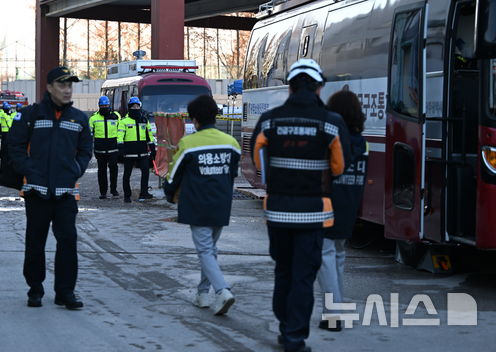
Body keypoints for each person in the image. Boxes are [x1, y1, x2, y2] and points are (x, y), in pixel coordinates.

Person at [251, 59, 350, 352]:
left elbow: (258, 163)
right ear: (319, 88)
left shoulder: (269, 121)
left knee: (283, 271)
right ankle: (295, 337)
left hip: (278, 212)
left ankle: (285, 328)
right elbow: (339, 167)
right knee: (303, 276)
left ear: (290, 88)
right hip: (313, 214)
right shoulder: (331, 122)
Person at [5, 66, 92, 310]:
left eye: (70, 85)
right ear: (49, 87)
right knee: (35, 242)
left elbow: (86, 150)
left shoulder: (79, 118)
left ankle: (65, 292)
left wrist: (76, 169)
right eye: (62, 85)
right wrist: (29, 169)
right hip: (36, 191)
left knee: (68, 242)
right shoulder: (29, 115)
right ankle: (35, 289)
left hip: (66, 192)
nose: (67, 90)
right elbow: (15, 146)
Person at [164, 95, 241, 316]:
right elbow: (233, 174)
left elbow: (173, 177)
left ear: (194, 119)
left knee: (205, 251)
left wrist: (170, 195)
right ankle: (202, 294)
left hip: (197, 205)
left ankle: (222, 290)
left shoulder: (188, 144)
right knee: (210, 251)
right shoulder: (231, 143)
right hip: (221, 204)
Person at [318, 89, 368, 332]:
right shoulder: (363, 142)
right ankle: (337, 307)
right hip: (350, 203)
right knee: (337, 256)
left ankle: (333, 313)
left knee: (324, 257)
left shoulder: (333, 140)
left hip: (330, 203)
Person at [117, 97, 156, 203]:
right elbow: (119, 136)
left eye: (137, 106)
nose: (136, 108)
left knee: (145, 172)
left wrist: (152, 149)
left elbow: (149, 136)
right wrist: (121, 149)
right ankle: (127, 195)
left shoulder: (144, 120)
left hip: (142, 152)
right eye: (133, 106)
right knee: (127, 175)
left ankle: (144, 193)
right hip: (129, 153)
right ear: (130, 108)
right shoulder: (124, 121)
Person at [89, 96, 121, 199]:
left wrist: (121, 144)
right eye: (102, 106)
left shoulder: (116, 116)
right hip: (100, 149)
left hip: (113, 147)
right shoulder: (93, 118)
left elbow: (120, 130)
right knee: (102, 171)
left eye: (106, 105)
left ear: (109, 105)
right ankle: (103, 192)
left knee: (113, 169)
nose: (104, 107)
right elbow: (89, 134)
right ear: (99, 106)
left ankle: (114, 190)